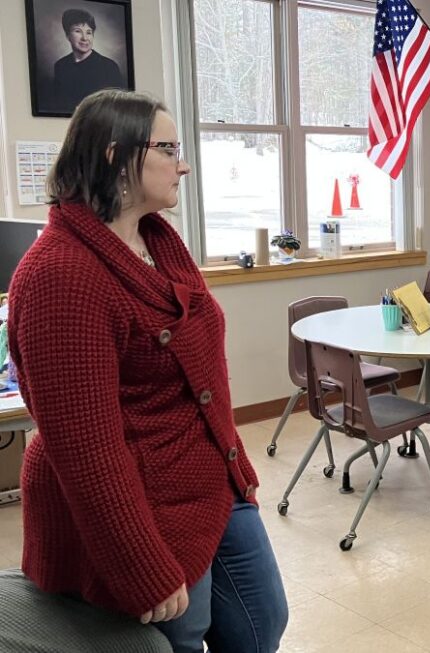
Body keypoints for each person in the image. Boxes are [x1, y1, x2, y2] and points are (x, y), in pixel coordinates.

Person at [7, 89, 288, 653]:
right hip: (139, 500)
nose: (183, 163)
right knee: (179, 637)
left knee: (262, 622)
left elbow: (201, 379)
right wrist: (142, 565)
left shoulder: (157, 240)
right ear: (116, 156)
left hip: (210, 475)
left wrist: (236, 467)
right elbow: (88, 451)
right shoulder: (60, 275)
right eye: (169, 148)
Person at [50, 8, 125, 113]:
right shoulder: (60, 65)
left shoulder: (109, 67)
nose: (84, 38)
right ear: (67, 36)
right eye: (78, 31)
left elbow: (119, 109)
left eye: (89, 32)